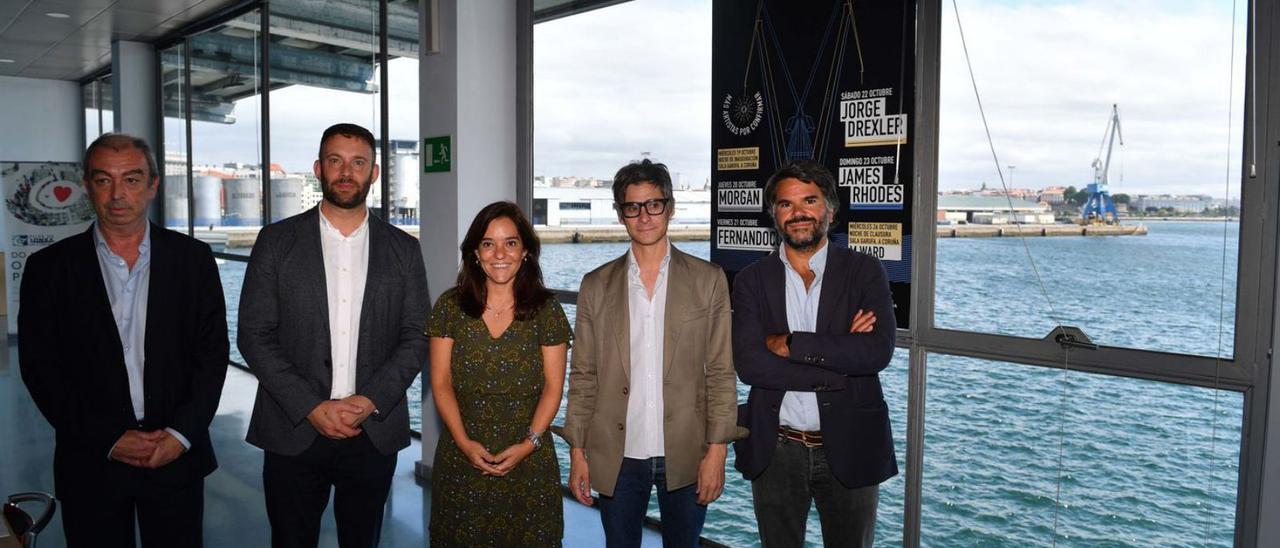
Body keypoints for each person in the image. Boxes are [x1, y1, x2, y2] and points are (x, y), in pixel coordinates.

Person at [19, 133, 229, 547]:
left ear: (152, 185)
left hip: (176, 457)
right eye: (104, 180)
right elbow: (41, 370)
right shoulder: (49, 270)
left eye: (132, 179)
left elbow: (212, 355)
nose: (118, 193)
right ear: (86, 186)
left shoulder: (193, 261)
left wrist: (181, 435)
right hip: (92, 460)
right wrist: (109, 438)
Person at [238, 123, 429, 548]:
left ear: (374, 173)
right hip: (293, 428)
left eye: (358, 162)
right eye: (335, 161)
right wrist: (311, 406)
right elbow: (253, 333)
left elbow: (416, 335)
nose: (346, 172)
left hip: (372, 431)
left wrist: (370, 400)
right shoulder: (276, 241)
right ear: (318, 168)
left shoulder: (404, 249)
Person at [564, 159, 741, 547]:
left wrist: (717, 451)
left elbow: (721, 373)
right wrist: (578, 452)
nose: (644, 216)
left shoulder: (708, 280)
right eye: (633, 206)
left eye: (654, 204)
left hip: (688, 451)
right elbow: (583, 375)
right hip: (617, 454)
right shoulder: (595, 285)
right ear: (621, 214)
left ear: (670, 207)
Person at [733, 159, 897, 547]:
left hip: (851, 444)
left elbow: (876, 352)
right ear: (773, 214)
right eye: (786, 205)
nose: (798, 213)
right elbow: (750, 364)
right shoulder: (751, 280)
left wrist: (790, 344)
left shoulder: (865, 271)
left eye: (810, 200)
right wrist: (837, 361)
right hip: (776, 449)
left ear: (830, 210)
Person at [426, 201, 571, 547]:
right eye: (488, 243)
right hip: (462, 459)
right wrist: (463, 443)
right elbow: (440, 382)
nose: (499, 253)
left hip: (529, 463)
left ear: (526, 252)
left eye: (511, 242)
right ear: (475, 252)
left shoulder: (546, 310)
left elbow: (554, 388)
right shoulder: (450, 307)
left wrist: (527, 444)